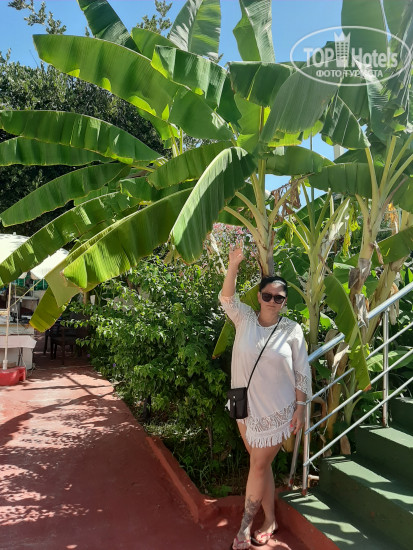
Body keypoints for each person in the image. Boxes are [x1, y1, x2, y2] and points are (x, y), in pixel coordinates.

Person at [219, 244, 312, 550]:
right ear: (259, 297)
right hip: (244, 407)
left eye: (279, 297)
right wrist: (233, 265)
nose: (273, 301)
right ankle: (270, 519)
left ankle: (244, 527)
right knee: (261, 465)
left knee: (258, 466)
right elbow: (226, 298)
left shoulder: (292, 331)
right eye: (268, 296)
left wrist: (301, 407)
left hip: (277, 410)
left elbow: (302, 371)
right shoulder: (244, 319)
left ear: (285, 302)